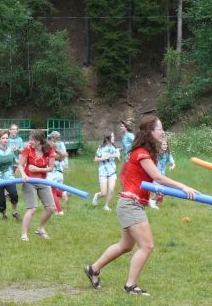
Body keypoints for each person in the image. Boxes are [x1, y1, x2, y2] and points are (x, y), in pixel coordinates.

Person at [84, 116, 197, 295]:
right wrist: (183, 186)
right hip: (131, 204)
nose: (163, 132)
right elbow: (158, 177)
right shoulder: (141, 153)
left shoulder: (146, 152)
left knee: (126, 245)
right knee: (147, 245)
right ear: (149, 132)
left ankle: (93, 269)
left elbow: (153, 180)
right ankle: (131, 285)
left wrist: (164, 190)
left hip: (131, 203)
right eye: (160, 129)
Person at [18, 129, 56, 241]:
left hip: (43, 181)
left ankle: (40, 229)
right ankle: (24, 235)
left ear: (39, 140)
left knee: (51, 208)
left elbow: (51, 168)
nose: (30, 142)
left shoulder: (49, 149)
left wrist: (38, 169)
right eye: (30, 139)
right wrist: (23, 174)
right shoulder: (28, 149)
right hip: (29, 181)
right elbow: (20, 165)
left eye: (32, 140)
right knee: (32, 208)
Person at [0, 130, 22, 221]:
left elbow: (14, 161)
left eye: (7, 138)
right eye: (3, 138)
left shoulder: (10, 151)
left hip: (9, 176)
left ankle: (15, 213)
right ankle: (4, 215)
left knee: (14, 194)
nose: (5, 140)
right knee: (1, 201)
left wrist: (22, 163)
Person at [92, 133, 120, 211]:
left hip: (112, 171)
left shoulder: (115, 148)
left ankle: (106, 206)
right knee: (103, 193)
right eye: (112, 136)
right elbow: (96, 159)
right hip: (103, 171)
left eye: (114, 136)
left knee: (111, 190)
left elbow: (119, 161)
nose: (113, 138)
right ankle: (97, 196)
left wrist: (116, 157)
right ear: (107, 139)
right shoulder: (101, 148)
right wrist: (107, 157)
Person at [149, 138, 175, 209]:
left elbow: (173, 163)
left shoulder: (168, 154)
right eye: (163, 144)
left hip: (162, 175)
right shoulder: (156, 153)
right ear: (160, 145)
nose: (165, 146)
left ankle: (154, 202)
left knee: (164, 191)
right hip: (155, 174)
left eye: (166, 144)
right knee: (159, 190)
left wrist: (172, 167)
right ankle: (152, 200)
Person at [47, 131, 69, 214]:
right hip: (59, 175)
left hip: (53, 176)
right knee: (52, 191)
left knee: (52, 193)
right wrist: (65, 165)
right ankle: (63, 194)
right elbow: (63, 161)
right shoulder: (58, 153)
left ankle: (59, 211)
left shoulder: (50, 155)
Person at [119, 118, 135, 187]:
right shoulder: (125, 136)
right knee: (125, 175)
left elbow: (136, 143)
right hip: (126, 158)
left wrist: (131, 152)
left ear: (126, 128)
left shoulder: (130, 135)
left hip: (129, 159)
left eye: (122, 126)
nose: (120, 127)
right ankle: (126, 189)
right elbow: (128, 145)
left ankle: (124, 190)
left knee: (123, 174)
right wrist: (121, 149)